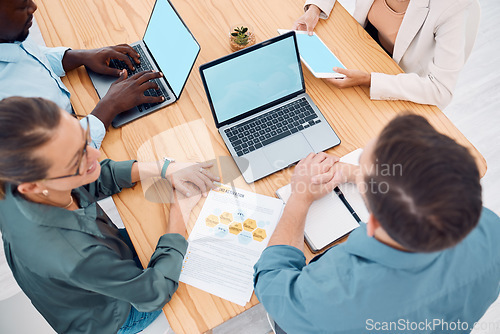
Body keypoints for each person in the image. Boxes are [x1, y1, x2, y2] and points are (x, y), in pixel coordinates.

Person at [253, 114, 500, 333]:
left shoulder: (332, 298)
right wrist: (353, 174)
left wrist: (299, 197)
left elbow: (271, 279)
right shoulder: (490, 230)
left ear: (373, 216)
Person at [0, 97, 219, 334]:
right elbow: (153, 293)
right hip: (118, 317)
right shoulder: (75, 255)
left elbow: (93, 176)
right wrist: (179, 209)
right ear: (32, 186)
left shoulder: (19, 183)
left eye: (83, 140)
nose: (94, 154)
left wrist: (164, 168)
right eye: (77, 158)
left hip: (103, 265)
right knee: (207, 263)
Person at [0, 0, 164, 148]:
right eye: (22, 6)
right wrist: (109, 107)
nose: (34, 7)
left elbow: (27, 56)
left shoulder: (9, 35)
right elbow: (63, 158)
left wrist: (80, 56)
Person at [292, 0, 479, 109]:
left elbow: (441, 90)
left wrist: (369, 80)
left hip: (397, 80)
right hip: (361, 48)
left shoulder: (453, 7)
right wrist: (315, 8)